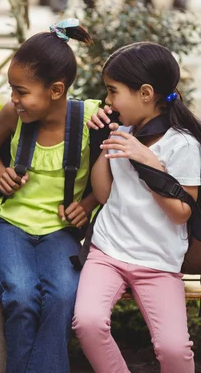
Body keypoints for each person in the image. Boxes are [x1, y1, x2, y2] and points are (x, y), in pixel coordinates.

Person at [72, 42, 200, 372]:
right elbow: (103, 195)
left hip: (158, 260)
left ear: (145, 93)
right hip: (108, 251)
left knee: (174, 350)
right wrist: (103, 141)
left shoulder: (183, 144)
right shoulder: (125, 131)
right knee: (87, 323)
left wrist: (147, 162)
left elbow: (181, 212)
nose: (108, 101)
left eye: (113, 91)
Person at [0, 19, 98, 372]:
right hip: (11, 225)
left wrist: (88, 204)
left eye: (21, 91)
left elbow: (115, 169)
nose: (14, 99)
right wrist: (1, 175)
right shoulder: (12, 115)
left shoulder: (90, 119)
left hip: (60, 231)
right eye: (11, 90)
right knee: (19, 294)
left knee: (63, 296)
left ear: (56, 90)